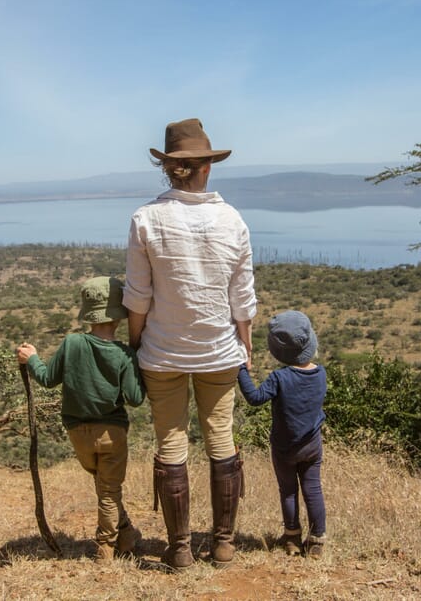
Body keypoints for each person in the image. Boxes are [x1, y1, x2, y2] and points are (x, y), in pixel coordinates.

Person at [123, 117, 257, 569]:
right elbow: (242, 298)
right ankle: (223, 543)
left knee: (171, 444)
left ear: (168, 168)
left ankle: (179, 549)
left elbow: (138, 297)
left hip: (162, 352)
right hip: (219, 351)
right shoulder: (232, 219)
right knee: (221, 440)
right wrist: (245, 345)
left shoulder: (145, 219)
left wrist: (137, 345)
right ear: (207, 167)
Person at [16, 276, 145, 562]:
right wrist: (139, 363)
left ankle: (127, 534)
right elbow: (135, 398)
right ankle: (105, 548)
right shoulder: (124, 354)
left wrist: (32, 358)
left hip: (78, 433)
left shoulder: (72, 343)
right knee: (109, 492)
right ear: (119, 314)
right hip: (112, 433)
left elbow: (47, 379)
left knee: (104, 487)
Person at [236, 310, 327, 559]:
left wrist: (241, 369)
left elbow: (255, 398)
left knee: (288, 491)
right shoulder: (320, 374)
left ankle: (292, 538)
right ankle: (317, 541)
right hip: (312, 444)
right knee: (313, 489)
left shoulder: (279, 377)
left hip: (285, 447)